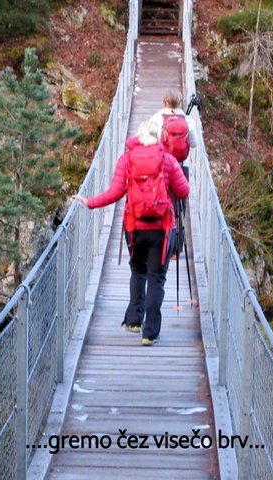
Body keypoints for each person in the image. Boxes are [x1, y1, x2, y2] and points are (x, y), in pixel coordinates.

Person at [73, 120, 190, 346]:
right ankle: (150, 333)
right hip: (162, 229)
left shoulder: (126, 159)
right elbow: (184, 191)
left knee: (138, 271)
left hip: (134, 228)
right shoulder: (168, 160)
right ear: (159, 137)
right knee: (157, 279)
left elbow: (115, 192)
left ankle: (134, 320)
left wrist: (90, 202)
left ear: (138, 136)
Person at [149, 89, 198, 177]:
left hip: (162, 164)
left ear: (164, 102)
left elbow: (149, 141)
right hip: (181, 166)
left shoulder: (156, 118)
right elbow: (194, 143)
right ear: (180, 103)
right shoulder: (187, 120)